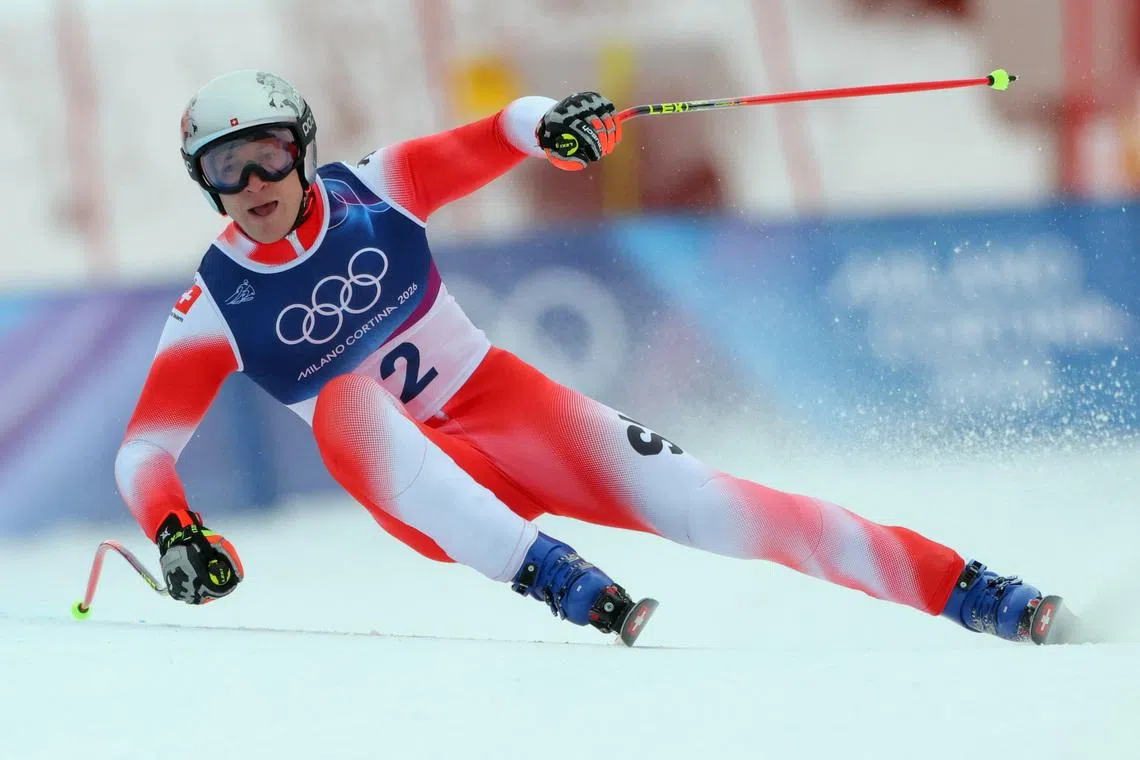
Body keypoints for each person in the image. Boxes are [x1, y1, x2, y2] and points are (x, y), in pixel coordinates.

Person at [115, 69, 1061, 646]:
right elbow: (142, 452)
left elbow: (496, 134)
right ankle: (556, 576)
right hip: (426, 490)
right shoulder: (214, 302)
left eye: (268, 156)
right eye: (224, 169)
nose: (252, 185)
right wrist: (172, 530)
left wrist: (557, 123)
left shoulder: (376, 187)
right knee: (343, 405)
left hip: (503, 409)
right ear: (205, 187)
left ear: (305, 153)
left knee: (709, 501)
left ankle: (969, 590)